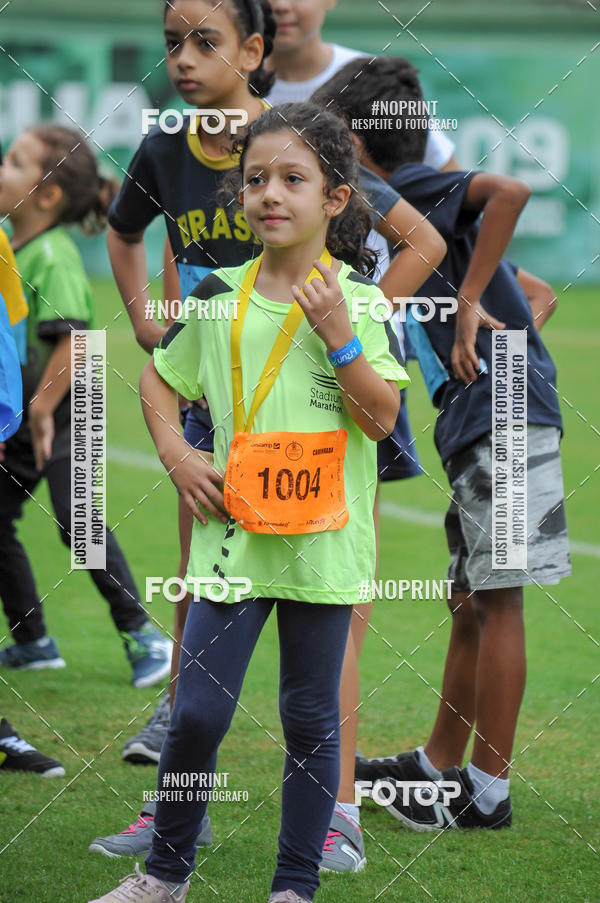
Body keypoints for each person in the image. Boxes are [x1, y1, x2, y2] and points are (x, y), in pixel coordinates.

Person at [87, 100, 407, 903]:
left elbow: (381, 419)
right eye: (256, 178)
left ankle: (294, 885)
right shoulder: (217, 296)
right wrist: (176, 452)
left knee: (309, 719)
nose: (270, 193)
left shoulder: (362, 302)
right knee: (197, 713)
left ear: (334, 198)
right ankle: (164, 876)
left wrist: (339, 336)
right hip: (233, 541)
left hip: (322, 548)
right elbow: (159, 377)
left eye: (293, 179)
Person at [320, 55, 570, 828]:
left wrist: (470, 309)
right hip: (477, 410)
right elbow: (537, 293)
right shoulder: (422, 215)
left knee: (498, 597)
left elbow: (513, 191)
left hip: (504, 407)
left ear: (353, 142)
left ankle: (486, 791)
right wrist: (501, 331)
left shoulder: (417, 191)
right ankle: (436, 764)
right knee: (467, 599)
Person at [0, 125, 172, 686]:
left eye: (14, 162)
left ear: (47, 194)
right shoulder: (12, 246)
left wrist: (42, 410)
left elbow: (77, 342)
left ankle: (143, 635)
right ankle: (32, 641)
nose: (1, 168)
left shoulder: (53, 255)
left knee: (79, 523)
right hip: (28, 409)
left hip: (70, 403)